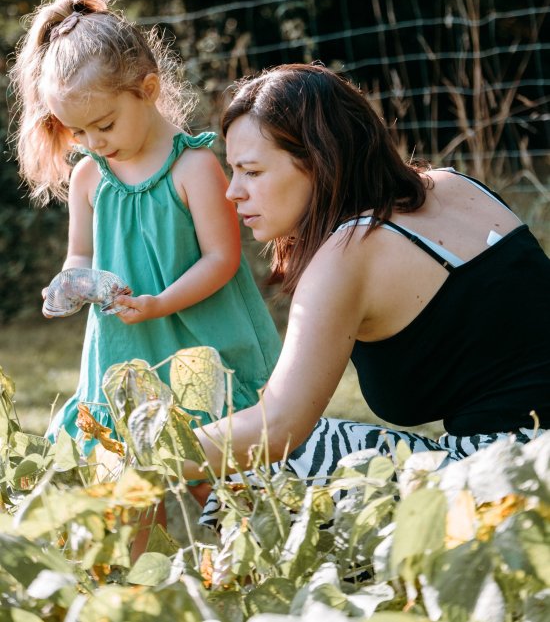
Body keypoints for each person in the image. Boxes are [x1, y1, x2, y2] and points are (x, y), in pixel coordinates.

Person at [180, 62, 550, 490]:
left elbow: (278, 426)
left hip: (517, 476)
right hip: (530, 458)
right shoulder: (454, 186)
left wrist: (144, 458)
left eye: (253, 171)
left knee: (257, 466)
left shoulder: (349, 255)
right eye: (233, 170)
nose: (233, 191)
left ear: (319, 162)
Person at [9, 0, 282, 452]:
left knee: (213, 456)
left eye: (105, 124)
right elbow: (81, 254)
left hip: (199, 336)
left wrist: (159, 303)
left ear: (148, 90)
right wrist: (70, 283)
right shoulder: (88, 178)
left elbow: (222, 258)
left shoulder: (193, 168)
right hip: (124, 342)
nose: (93, 142)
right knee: (128, 460)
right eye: (77, 131)